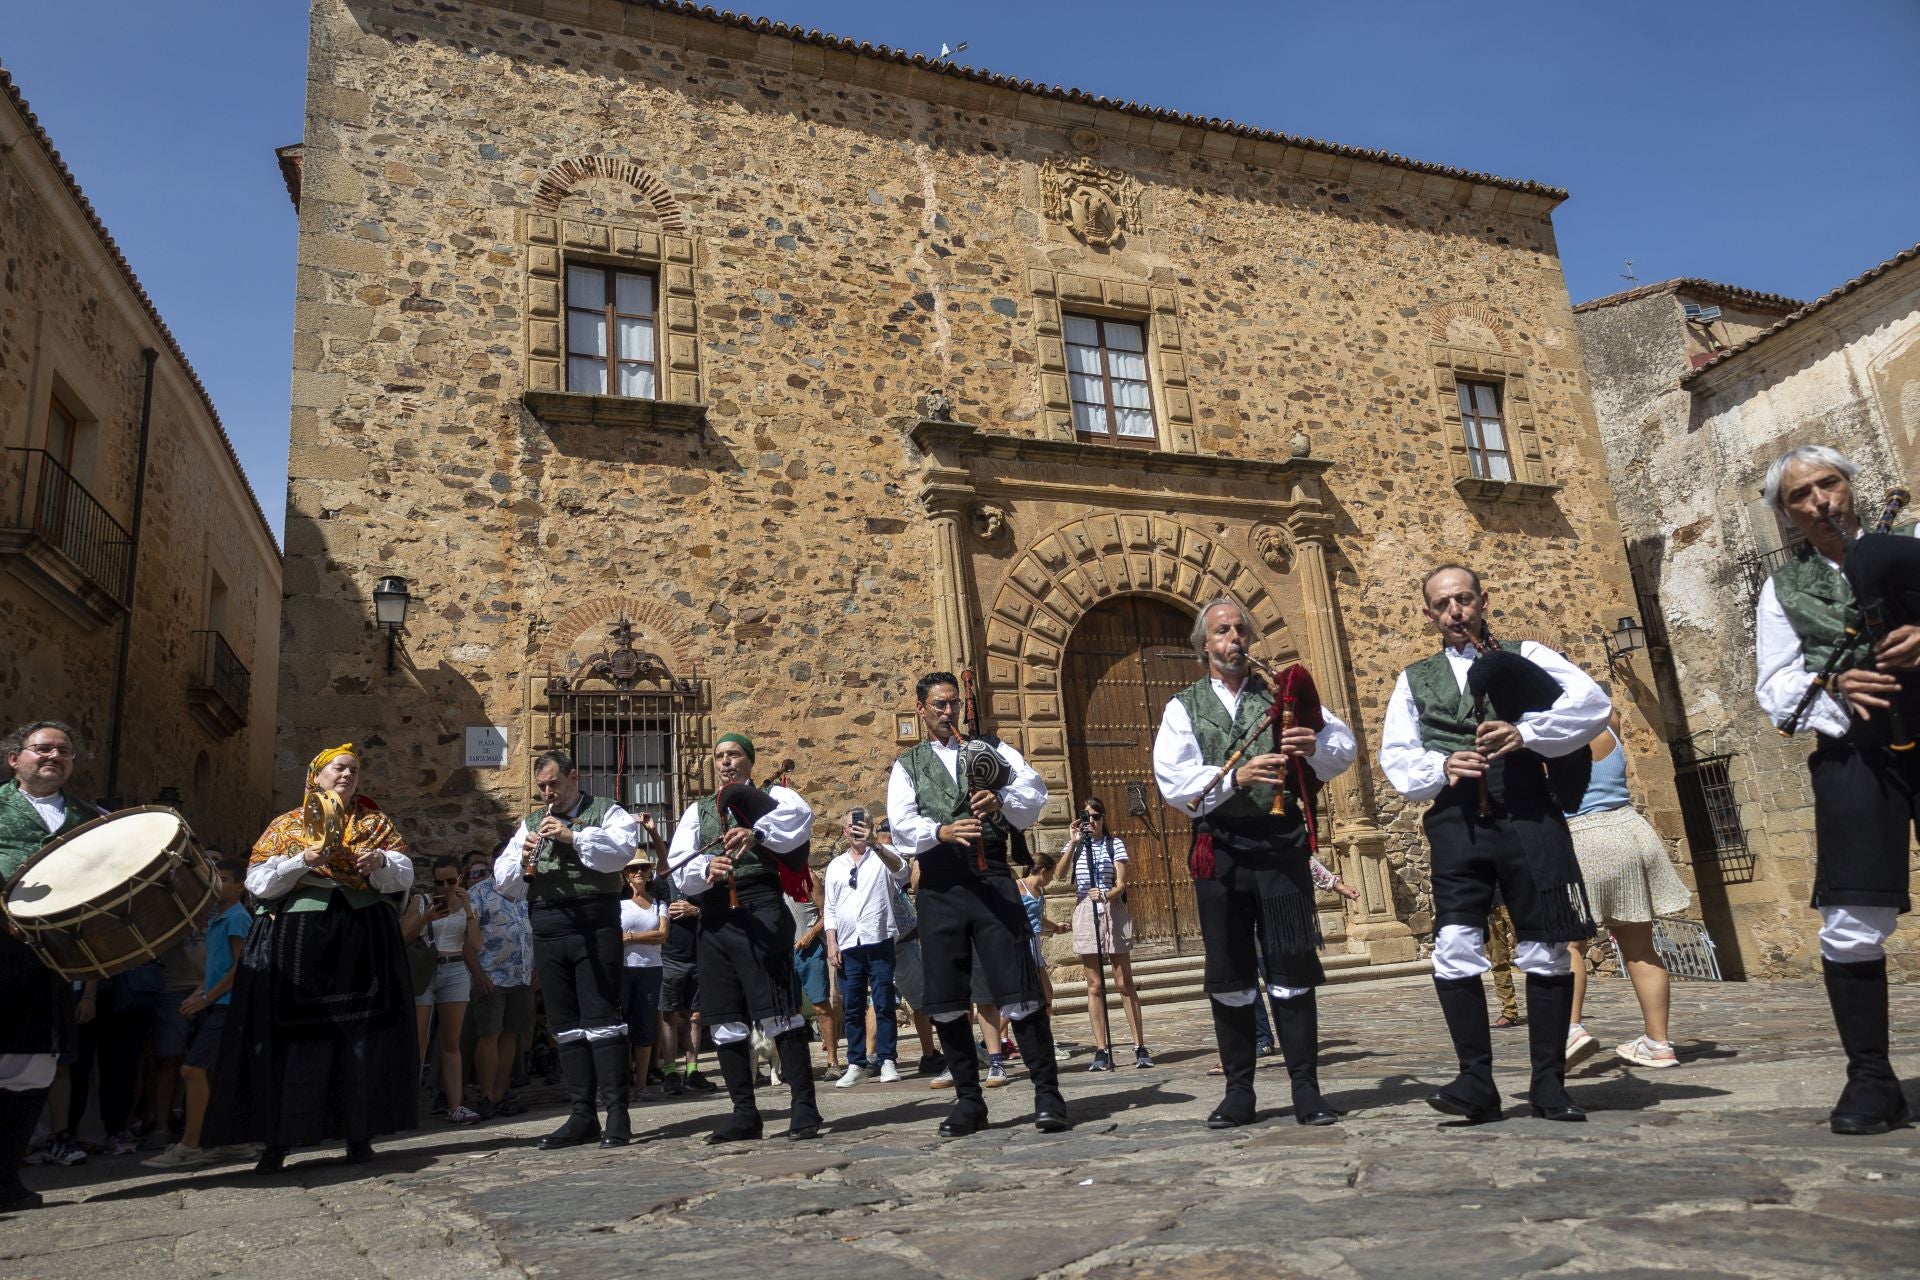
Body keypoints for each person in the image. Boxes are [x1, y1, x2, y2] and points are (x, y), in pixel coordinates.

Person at [1380, 566, 1608, 1125]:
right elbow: (1396, 755)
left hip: (1530, 814)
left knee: (1546, 947)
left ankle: (1549, 1085)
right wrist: (1441, 763)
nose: (1455, 610)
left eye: (1464, 599)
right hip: (1458, 823)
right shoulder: (1415, 679)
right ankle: (1475, 1081)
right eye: (1442, 603)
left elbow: (1592, 705)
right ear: (1428, 614)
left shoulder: (1529, 654)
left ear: (1483, 601)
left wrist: (1525, 733)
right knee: (1455, 944)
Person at [1754, 445, 1915, 1134]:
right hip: (1856, 753)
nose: (1821, 500)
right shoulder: (1782, 590)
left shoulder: (1913, 547)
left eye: (1831, 483)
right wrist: (1835, 686)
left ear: (1852, 488)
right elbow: (1774, 687)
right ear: (1786, 517)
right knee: (1851, 915)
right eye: (1802, 495)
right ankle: (1872, 1078)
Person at [1154, 600, 1358, 1129]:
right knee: (1230, 975)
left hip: (1281, 850)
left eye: (1241, 629)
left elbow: (1342, 746)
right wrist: (1236, 779)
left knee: (1291, 968)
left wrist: (1313, 745)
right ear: (1205, 646)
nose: (1235, 639)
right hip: (1219, 851)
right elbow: (1174, 783)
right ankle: (1239, 1092)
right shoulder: (1184, 706)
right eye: (1223, 631)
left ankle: (1306, 1090)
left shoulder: (1280, 694)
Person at [205, 744, 418, 1172]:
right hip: (298, 939)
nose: (347, 776)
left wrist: (378, 860)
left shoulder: (375, 823)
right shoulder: (287, 826)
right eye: (339, 768)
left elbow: (403, 874)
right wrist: (303, 860)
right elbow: (259, 884)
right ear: (316, 775)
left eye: (354, 770)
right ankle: (277, 1142)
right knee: (291, 1040)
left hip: (362, 939)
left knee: (361, 1036)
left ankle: (359, 1136)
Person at [887, 671, 1065, 1138]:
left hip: (992, 881)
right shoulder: (909, 764)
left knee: (1019, 989)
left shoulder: (992, 749)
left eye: (954, 704)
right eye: (939, 705)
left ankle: (1048, 1093)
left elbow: (1034, 792)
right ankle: (969, 1101)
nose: (949, 712)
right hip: (941, 888)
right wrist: (940, 832)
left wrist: (1000, 799)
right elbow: (902, 823)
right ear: (922, 710)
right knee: (945, 998)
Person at [670, 733, 820, 1142]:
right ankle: (744, 1113)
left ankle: (804, 1106)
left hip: (760, 907)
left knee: (777, 1007)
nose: (725, 762)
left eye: (734, 754)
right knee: (723, 1017)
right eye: (719, 756)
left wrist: (756, 832)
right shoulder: (697, 811)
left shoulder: (775, 797)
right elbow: (678, 866)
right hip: (716, 917)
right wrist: (706, 869)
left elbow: (797, 825)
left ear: (749, 761)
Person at [493, 749, 642, 1148]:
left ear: (573, 778)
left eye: (554, 784)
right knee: (565, 1023)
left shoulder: (607, 811)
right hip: (548, 924)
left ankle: (617, 1115)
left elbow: (620, 855)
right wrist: (523, 857)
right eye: (542, 787)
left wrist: (571, 835)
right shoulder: (528, 823)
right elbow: (505, 885)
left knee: (602, 1017)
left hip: (595, 922)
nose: (548, 794)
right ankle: (581, 1115)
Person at [0, 721, 100, 1211]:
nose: (54, 756)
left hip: (51, 959)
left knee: (32, 1066)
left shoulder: (92, 818)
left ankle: (5, 1180)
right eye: (43, 749)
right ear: (14, 758)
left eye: (64, 750)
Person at [1564, 716, 1691, 1070]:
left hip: (1581, 837)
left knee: (1570, 944)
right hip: (1630, 830)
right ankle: (1658, 1044)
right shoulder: (1610, 723)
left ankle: (1570, 1031)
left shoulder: (1547, 738)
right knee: (1639, 946)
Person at [142, 859, 257, 1168]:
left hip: (228, 1007)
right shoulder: (217, 918)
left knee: (192, 1070)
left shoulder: (236, 918)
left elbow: (240, 967)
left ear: (240, 886)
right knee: (216, 1074)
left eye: (222, 878)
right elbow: (215, 967)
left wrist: (207, 998)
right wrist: (199, 993)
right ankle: (233, 1142)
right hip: (216, 1003)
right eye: (213, 878)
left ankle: (190, 1144)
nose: (215, 883)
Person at [1061, 799, 1153, 1071]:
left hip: (1112, 910)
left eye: (1096, 816)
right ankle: (1101, 1049)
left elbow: (1121, 884)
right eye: (1086, 816)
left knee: (1124, 982)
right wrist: (1074, 842)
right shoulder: (1077, 846)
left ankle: (1139, 1045)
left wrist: (1104, 894)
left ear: (1103, 818)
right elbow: (1059, 873)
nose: (1091, 821)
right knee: (1094, 985)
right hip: (1085, 913)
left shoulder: (1115, 844)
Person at [824, 808, 908, 1087]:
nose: (856, 830)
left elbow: (902, 870)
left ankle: (887, 1060)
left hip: (878, 937)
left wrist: (875, 843)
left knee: (883, 1002)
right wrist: (832, 942)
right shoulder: (836, 865)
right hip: (849, 943)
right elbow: (831, 908)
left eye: (862, 825)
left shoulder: (882, 856)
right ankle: (856, 1063)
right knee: (852, 1006)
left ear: (871, 828)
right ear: (844, 831)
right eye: (851, 826)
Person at [461, 850, 534, 1119]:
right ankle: (487, 1095)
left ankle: (500, 1094)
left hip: (520, 975)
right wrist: (478, 974)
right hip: (491, 975)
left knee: (510, 1036)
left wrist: (533, 968)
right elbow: (466, 940)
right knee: (489, 1035)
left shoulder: (524, 890)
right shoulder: (479, 893)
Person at [411, 856, 483, 1125]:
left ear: (460, 878)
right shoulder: (421, 902)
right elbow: (404, 936)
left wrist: (468, 911)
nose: (445, 887)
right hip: (427, 968)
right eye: (439, 882)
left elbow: (475, 945)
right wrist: (425, 918)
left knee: (451, 1042)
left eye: (450, 881)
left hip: (454, 969)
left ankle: (456, 1106)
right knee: (419, 1041)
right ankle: (409, 1106)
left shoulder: (467, 903)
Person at [618, 858, 668, 1097]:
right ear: (626, 874)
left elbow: (662, 935)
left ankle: (641, 1084)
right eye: (633, 868)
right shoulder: (618, 904)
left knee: (646, 1023)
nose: (639, 872)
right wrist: (644, 936)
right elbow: (615, 938)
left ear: (650, 873)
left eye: (644, 868)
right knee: (621, 1023)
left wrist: (631, 937)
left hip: (651, 967)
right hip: (624, 968)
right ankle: (620, 1080)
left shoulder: (658, 903)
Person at [789, 867, 840, 1074]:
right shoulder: (772, 879)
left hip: (810, 950)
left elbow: (826, 913)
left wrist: (810, 935)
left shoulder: (809, 877)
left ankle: (832, 1062)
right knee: (791, 1010)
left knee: (820, 1005)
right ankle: (796, 1065)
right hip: (785, 951)